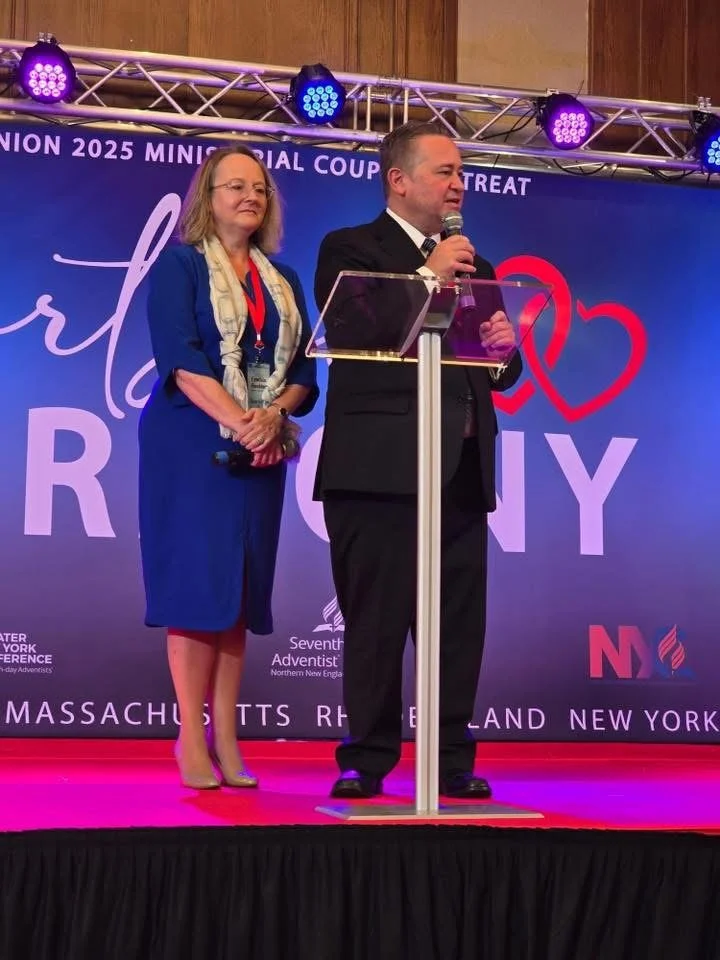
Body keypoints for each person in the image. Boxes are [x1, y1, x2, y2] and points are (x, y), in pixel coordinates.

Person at [313, 120, 520, 800]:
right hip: (377, 471)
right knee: (376, 622)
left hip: (459, 472)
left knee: (458, 625)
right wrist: (423, 276)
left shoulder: (475, 265)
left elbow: (496, 374)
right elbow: (351, 326)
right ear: (398, 180)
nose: (459, 183)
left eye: (462, 172)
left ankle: (450, 758)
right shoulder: (350, 248)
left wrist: (502, 350)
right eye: (444, 170)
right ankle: (366, 759)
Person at [139, 145, 318, 790]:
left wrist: (271, 419)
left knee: (238, 593)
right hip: (193, 447)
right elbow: (182, 361)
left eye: (260, 189)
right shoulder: (181, 266)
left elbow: (304, 372)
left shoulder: (284, 280)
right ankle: (189, 734)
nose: (249, 196)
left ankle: (229, 736)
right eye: (234, 186)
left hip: (262, 447)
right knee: (196, 590)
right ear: (207, 199)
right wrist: (246, 422)